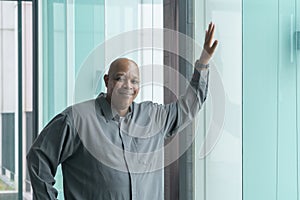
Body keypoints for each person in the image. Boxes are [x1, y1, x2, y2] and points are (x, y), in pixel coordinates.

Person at [27, 23, 218, 200]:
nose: (128, 85)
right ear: (107, 81)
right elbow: (38, 157)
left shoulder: (153, 117)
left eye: (134, 81)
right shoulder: (76, 119)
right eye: (120, 78)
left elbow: (189, 106)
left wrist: (203, 63)